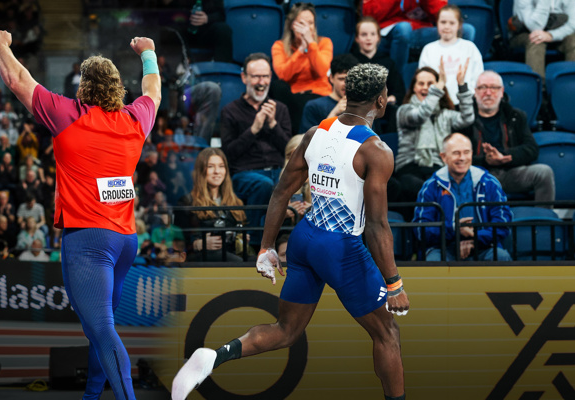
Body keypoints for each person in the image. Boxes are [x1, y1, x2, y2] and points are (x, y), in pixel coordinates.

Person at [173, 64, 409, 400]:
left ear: (347, 94)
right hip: (340, 248)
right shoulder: (376, 150)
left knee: (286, 330)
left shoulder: (316, 132)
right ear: (381, 100)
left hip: (304, 239)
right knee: (387, 334)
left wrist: (266, 246)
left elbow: (281, 191)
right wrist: (394, 283)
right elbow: (377, 225)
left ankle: (214, 356)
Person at [0, 29, 160, 400]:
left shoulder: (66, 113)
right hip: (125, 241)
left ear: (83, 86)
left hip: (88, 240)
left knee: (101, 329)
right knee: (102, 329)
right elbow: (153, 92)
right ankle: (91, 395)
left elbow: (16, 79)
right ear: (117, 87)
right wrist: (148, 53)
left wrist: (1, 44)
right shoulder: (135, 119)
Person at [460, 71, 556, 206]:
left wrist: (505, 156)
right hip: (478, 175)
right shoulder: (464, 120)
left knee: (543, 172)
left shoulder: (515, 116)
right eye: (482, 87)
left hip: (511, 172)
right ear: (475, 92)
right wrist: (485, 160)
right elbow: (456, 156)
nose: (488, 93)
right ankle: (468, 219)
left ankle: (543, 217)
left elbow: (531, 149)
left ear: (502, 92)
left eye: (493, 88)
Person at [220, 53, 291, 233]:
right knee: (264, 185)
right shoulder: (230, 111)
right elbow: (228, 154)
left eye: (265, 76)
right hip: (245, 173)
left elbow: (289, 149)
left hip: (278, 170)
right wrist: (254, 129)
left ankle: (289, 241)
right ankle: (253, 239)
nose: (261, 82)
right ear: (244, 78)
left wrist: (273, 125)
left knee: (295, 182)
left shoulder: (280, 109)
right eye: (256, 77)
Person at [413, 133, 512, 261]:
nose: (462, 158)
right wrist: (454, 229)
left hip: (484, 246)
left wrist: (475, 238)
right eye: (456, 153)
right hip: (443, 248)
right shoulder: (431, 186)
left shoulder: (490, 183)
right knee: (433, 261)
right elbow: (421, 230)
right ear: (443, 157)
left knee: (501, 257)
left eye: (466, 152)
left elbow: (503, 224)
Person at [395, 65, 474, 202]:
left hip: (438, 168)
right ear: (414, 88)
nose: (426, 88)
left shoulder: (445, 114)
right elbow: (421, 115)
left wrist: (462, 86)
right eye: (421, 83)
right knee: (421, 188)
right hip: (410, 168)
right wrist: (437, 88)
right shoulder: (404, 111)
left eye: (430, 84)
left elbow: (467, 118)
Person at [271, 3, 333, 135]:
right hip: (295, 97)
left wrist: (311, 44)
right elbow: (283, 75)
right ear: (291, 25)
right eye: (301, 23)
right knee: (277, 86)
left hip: (319, 94)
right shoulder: (279, 46)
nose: (306, 28)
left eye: (310, 23)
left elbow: (322, 70)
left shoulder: (324, 42)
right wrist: (300, 50)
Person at [177, 148, 248, 262]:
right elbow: (179, 243)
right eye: (210, 166)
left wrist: (241, 238)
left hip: (231, 255)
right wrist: (198, 244)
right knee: (236, 262)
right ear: (201, 170)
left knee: (255, 262)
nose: (217, 171)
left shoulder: (236, 202)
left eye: (221, 166)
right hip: (203, 258)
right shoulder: (187, 202)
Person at [363, 0, 475, 70]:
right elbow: (369, 14)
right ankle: (395, 85)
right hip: (390, 32)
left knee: (467, 30)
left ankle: (455, 79)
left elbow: (441, 15)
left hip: (420, 31)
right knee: (404, 28)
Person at [418, 5, 484, 105]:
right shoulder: (428, 49)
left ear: (459, 25)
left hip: (465, 103)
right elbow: (423, 79)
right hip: (437, 104)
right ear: (437, 23)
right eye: (443, 22)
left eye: (452, 23)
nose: (447, 26)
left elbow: (478, 77)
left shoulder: (470, 48)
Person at [350, 17, 406, 111]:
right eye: (364, 34)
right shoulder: (350, 61)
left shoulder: (388, 62)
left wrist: (393, 98)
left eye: (373, 34)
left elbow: (398, 91)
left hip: (384, 110)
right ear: (356, 38)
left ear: (378, 37)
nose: (368, 38)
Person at [510, 0, 575, 77]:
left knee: (574, 41)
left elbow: (574, 24)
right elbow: (535, 26)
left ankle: (572, 82)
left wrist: (551, 35)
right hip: (525, 32)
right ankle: (537, 83)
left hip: (557, 31)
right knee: (536, 41)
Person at [300, 54, 360, 133]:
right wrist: (334, 113)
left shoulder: (362, 106)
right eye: (341, 79)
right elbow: (305, 139)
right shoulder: (313, 106)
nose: (346, 84)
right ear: (331, 78)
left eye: (351, 79)